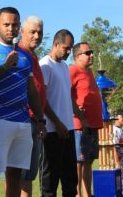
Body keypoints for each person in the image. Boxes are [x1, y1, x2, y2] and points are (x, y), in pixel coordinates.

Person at [0, 7, 45, 197]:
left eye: (14, 25)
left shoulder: (25, 56)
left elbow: (31, 90)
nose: (10, 29)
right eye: (6, 24)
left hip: (21, 122)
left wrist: (40, 119)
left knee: (15, 176)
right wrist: (5, 67)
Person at [39, 29, 86, 197]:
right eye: (66, 48)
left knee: (70, 179)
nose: (69, 52)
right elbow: (41, 100)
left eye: (70, 48)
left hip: (68, 129)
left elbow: (67, 96)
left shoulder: (65, 67)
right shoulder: (44, 65)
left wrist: (80, 117)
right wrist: (57, 123)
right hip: (52, 131)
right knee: (50, 180)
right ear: (56, 44)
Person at [18, 16, 47, 197]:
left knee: (28, 176)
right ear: (22, 32)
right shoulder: (18, 54)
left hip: (35, 121)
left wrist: (40, 120)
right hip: (21, 120)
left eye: (40, 32)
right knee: (16, 175)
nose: (36, 36)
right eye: (32, 32)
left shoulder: (33, 56)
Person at [69, 42, 103, 197]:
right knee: (78, 162)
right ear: (77, 56)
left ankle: (87, 193)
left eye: (92, 52)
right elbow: (65, 93)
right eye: (88, 53)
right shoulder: (72, 70)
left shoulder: (89, 72)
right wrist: (76, 112)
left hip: (92, 125)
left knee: (88, 162)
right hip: (79, 125)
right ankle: (77, 193)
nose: (92, 55)